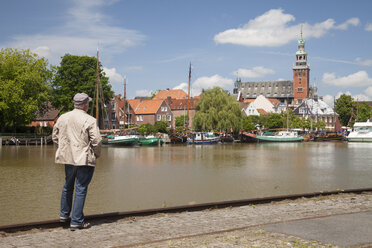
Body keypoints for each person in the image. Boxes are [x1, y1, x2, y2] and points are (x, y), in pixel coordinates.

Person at [52, 93, 102, 231]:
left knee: (67, 186)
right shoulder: (90, 120)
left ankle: (64, 216)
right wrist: (96, 154)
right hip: (83, 158)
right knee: (80, 189)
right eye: (88, 103)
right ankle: (77, 221)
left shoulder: (62, 117)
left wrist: (61, 150)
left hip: (68, 158)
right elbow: (96, 141)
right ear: (85, 105)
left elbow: (55, 136)